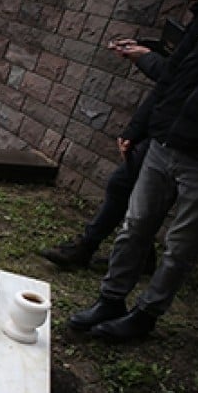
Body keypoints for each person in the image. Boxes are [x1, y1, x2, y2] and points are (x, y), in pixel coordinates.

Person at [67, 0, 198, 341]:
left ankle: (146, 315)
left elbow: (177, 78)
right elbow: (173, 84)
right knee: (135, 225)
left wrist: (145, 59)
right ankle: (111, 299)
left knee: (180, 247)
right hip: (164, 142)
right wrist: (140, 128)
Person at [41, 41, 168, 270]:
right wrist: (135, 130)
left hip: (179, 137)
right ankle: (137, 255)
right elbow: (164, 89)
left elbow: (176, 77)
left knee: (131, 189)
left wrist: (146, 57)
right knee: (131, 189)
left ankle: (93, 248)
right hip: (162, 129)